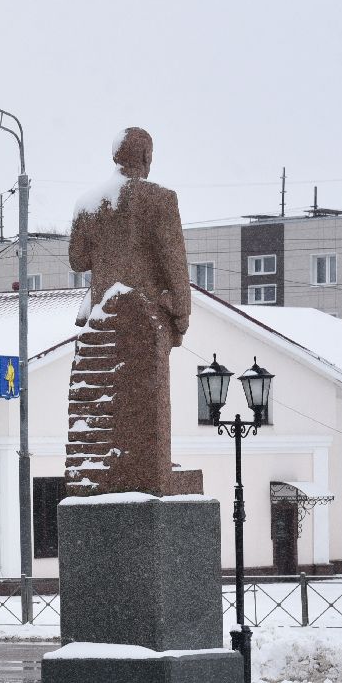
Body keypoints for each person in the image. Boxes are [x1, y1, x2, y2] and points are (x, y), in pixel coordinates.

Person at [65, 126, 191, 497]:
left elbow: (77, 260)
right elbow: (174, 264)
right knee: (146, 402)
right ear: (147, 159)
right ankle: (150, 470)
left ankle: (112, 469)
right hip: (144, 318)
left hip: (100, 321)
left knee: (103, 402)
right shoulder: (159, 199)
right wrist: (181, 314)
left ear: (116, 158)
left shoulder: (88, 204)